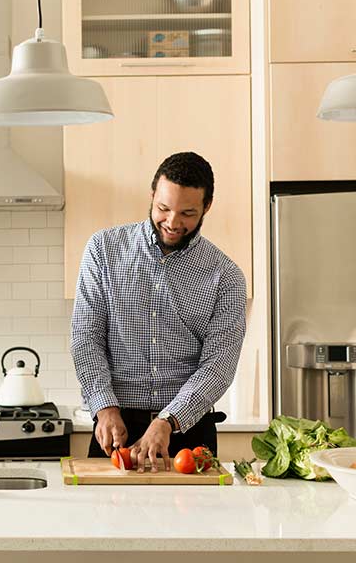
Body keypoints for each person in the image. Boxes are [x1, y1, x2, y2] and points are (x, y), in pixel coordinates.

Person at [71, 151, 246, 472]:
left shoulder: (226, 276)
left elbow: (218, 367)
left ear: (207, 206)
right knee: (107, 520)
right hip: (116, 428)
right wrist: (105, 407)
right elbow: (86, 337)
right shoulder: (103, 250)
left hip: (187, 433)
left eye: (188, 213)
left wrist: (167, 420)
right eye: (163, 208)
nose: (173, 222)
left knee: (195, 523)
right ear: (152, 195)